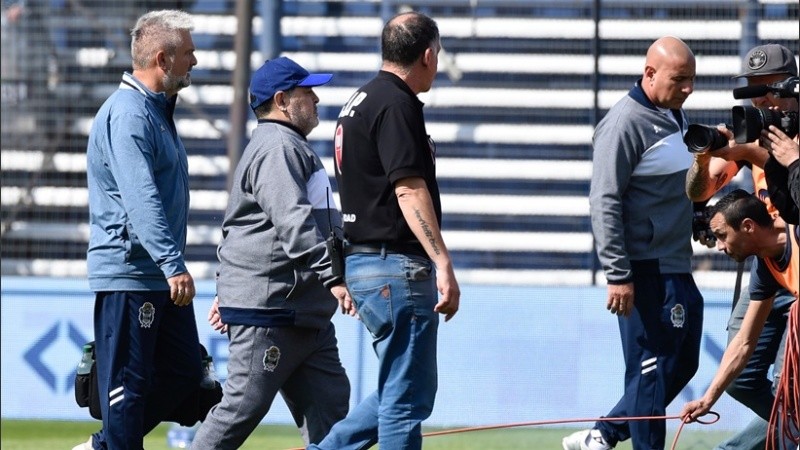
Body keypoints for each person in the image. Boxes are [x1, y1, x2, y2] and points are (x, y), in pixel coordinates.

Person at [308, 11, 460, 450]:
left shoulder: (359, 100)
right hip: (396, 266)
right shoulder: (397, 104)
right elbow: (409, 191)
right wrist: (443, 262)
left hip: (365, 262)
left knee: (405, 387)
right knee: (404, 398)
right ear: (428, 55)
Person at [189, 56, 353, 449]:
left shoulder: (286, 146)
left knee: (331, 413)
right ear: (282, 100)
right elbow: (293, 223)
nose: (315, 98)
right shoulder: (278, 147)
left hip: (301, 313)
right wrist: (334, 277)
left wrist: (227, 288)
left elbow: (239, 229)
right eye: (306, 91)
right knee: (240, 409)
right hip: (273, 311)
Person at [562, 36, 703, 450]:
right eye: (680, 80)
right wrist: (618, 274)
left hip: (676, 262)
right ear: (649, 73)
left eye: (692, 80)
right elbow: (603, 198)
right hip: (643, 268)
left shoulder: (672, 113)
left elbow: (667, 185)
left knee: (681, 364)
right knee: (649, 371)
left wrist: (696, 217)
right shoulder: (624, 122)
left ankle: (602, 434)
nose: (688, 88)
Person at [76, 9, 201, 450]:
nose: (196, 60)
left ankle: (103, 445)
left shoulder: (155, 111)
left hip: (157, 275)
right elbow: (140, 196)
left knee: (188, 375)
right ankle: (112, 442)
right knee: (125, 390)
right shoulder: (129, 114)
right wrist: (172, 262)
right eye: (188, 52)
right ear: (163, 59)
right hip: (134, 273)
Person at [684, 43, 798, 450]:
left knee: (792, 379)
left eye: (766, 89)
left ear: (790, 87)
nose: (759, 101)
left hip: (792, 248)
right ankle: (791, 431)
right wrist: (704, 155)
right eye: (750, 90)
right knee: (744, 371)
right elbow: (697, 192)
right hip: (767, 256)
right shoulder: (751, 132)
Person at [681, 189, 799, 447]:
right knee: (778, 393)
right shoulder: (765, 265)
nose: (720, 246)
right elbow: (745, 341)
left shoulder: (796, 234)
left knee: (790, 388)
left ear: (748, 226)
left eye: (722, 236)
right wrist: (708, 398)